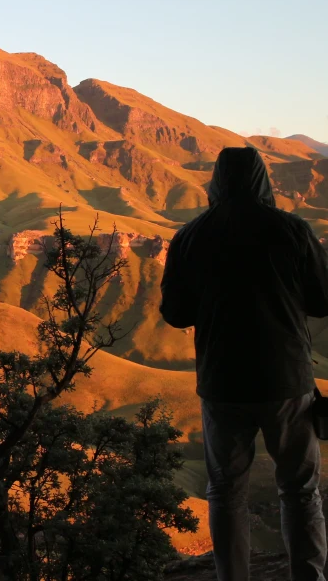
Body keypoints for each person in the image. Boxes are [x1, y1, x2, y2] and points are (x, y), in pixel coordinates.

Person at [160, 146, 328, 580]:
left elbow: (175, 313)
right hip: (287, 380)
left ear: (216, 181)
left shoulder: (191, 236)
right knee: (299, 491)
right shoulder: (292, 230)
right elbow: (323, 299)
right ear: (262, 180)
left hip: (222, 382)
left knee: (226, 492)